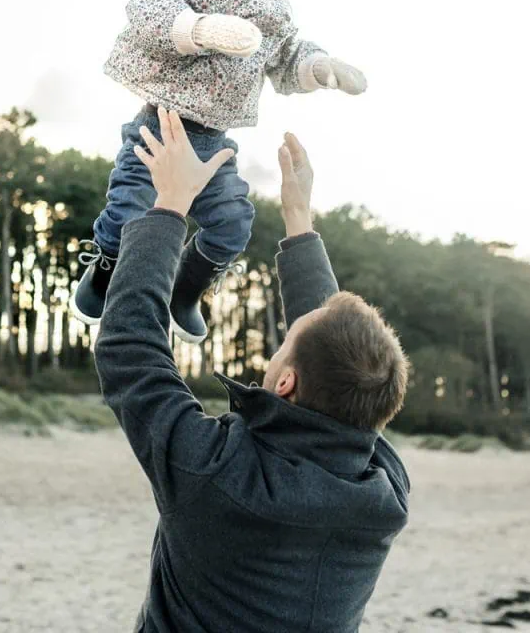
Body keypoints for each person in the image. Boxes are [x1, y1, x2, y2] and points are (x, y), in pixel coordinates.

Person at [93, 107, 411, 632]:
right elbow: (335, 364)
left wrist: (170, 205)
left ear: (285, 382)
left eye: (283, 345)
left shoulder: (221, 475)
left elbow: (130, 350)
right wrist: (298, 221)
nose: (282, 343)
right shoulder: (381, 490)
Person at [73, 0, 368, 344]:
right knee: (129, 211)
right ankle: (105, 271)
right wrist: (202, 29)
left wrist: (321, 67)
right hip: (160, 129)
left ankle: (185, 290)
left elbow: (289, 56)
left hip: (213, 145)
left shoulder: (268, 14)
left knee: (234, 222)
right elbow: (150, 18)